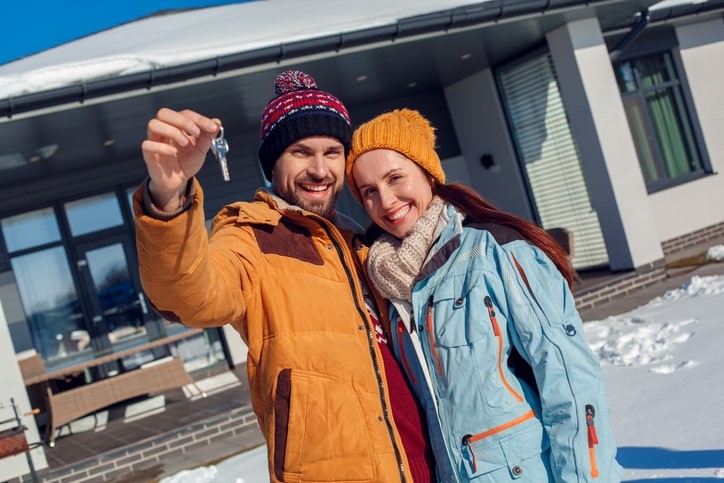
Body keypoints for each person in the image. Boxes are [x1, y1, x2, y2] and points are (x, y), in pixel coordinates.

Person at [133, 72, 436, 482]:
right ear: (273, 163)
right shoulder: (252, 238)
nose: (319, 169)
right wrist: (168, 198)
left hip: (431, 462)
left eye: (332, 152)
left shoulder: (367, 242)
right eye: (300, 152)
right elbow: (189, 295)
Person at [344, 108, 624, 482]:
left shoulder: (496, 251)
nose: (386, 200)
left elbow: (569, 378)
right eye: (369, 193)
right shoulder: (388, 290)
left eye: (396, 178)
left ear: (428, 173)